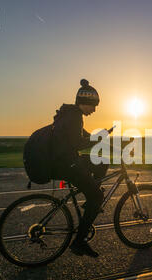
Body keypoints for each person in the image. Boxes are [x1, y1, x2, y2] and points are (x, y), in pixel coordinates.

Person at [51, 79, 108, 258]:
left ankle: (90, 200)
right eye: (94, 105)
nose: (95, 110)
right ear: (86, 102)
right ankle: (79, 242)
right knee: (98, 196)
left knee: (102, 162)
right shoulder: (74, 116)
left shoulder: (71, 114)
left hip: (66, 160)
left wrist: (99, 138)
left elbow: (83, 136)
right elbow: (78, 142)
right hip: (67, 164)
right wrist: (96, 140)